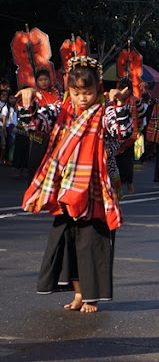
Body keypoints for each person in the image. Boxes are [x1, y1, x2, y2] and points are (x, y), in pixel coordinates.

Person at [18, 56, 132, 313]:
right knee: (68, 243)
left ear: (98, 89)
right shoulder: (60, 110)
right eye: (77, 92)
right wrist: (27, 102)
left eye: (88, 92)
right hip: (66, 189)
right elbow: (34, 125)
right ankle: (79, 294)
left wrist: (119, 104)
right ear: (69, 90)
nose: (82, 98)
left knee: (91, 243)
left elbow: (122, 132)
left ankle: (92, 297)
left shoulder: (105, 112)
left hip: (95, 189)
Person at [27, 68, 62, 179]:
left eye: (45, 79)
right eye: (40, 79)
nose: (43, 82)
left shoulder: (57, 94)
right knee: (35, 163)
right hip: (38, 134)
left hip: (54, 134)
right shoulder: (34, 95)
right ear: (36, 81)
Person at [114, 78, 146, 194]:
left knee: (128, 161)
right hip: (116, 135)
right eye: (123, 88)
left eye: (127, 89)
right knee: (116, 161)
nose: (125, 91)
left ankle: (129, 184)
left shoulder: (135, 101)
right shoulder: (114, 101)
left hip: (130, 135)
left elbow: (142, 114)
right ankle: (118, 185)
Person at [1, 92, 18, 165]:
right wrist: (4, 130)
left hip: (15, 128)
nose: (13, 100)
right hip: (8, 128)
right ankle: (6, 159)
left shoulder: (15, 108)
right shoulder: (5, 108)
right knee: (8, 144)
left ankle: (12, 159)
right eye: (11, 98)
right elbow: (4, 120)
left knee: (14, 145)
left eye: (14, 98)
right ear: (8, 99)